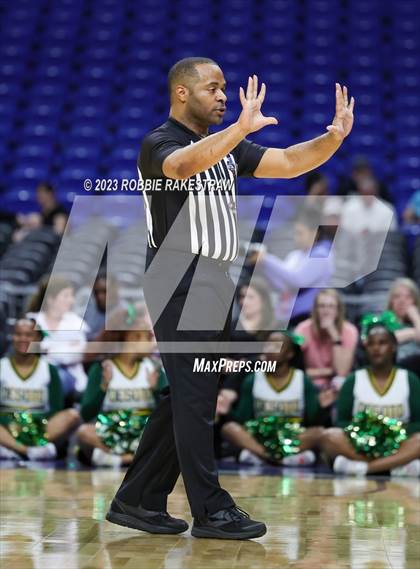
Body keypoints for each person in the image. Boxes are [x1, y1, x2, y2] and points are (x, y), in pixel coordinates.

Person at [106, 57, 355, 540]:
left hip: (216, 280)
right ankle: (211, 510)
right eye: (214, 88)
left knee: (186, 395)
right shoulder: (160, 142)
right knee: (198, 399)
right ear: (182, 93)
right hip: (178, 279)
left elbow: (286, 163)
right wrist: (239, 130)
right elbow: (180, 169)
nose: (224, 96)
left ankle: (137, 499)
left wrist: (332, 140)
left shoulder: (226, 149)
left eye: (226, 89)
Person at [221, 331, 335, 467]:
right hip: (261, 438)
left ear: (290, 354)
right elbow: (243, 420)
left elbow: (312, 421)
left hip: (293, 438)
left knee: (319, 433)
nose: (270, 350)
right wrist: (227, 410)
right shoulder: (252, 379)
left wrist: (322, 408)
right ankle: (272, 457)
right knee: (229, 428)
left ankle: (260, 457)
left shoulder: (302, 379)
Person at [321, 321, 420, 477]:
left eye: (382, 343)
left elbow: (417, 423)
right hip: (360, 445)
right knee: (329, 436)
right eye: (371, 344)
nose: (376, 348)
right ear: (366, 348)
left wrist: (391, 434)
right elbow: (341, 421)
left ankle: (363, 468)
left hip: (399, 443)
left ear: (393, 347)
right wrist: (364, 436)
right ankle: (394, 467)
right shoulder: (353, 380)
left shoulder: (410, 379)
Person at [77, 304, 167, 468]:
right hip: (111, 434)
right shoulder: (102, 368)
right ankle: (131, 460)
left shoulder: (154, 368)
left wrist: (156, 391)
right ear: (132, 338)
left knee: (170, 432)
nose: (153, 343)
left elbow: (168, 412)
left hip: (143, 434)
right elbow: (86, 413)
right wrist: (103, 388)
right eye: (147, 337)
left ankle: (112, 460)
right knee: (84, 432)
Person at [0, 318, 80, 461]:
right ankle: (28, 451)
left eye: (28, 335)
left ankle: (12, 449)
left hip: (39, 427)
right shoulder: (2, 366)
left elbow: (56, 408)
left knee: (72, 415)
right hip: (6, 428)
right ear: (12, 337)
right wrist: (12, 423)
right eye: (18, 334)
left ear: (38, 338)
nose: (23, 339)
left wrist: (31, 424)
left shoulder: (49, 370)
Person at [248, 207, 335, 326]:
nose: (295, 237)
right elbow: (281, 285)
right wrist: (261, 266)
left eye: (300, 233)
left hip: (307, 318)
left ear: (315, 233)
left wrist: (266, 259)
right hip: (285, 315)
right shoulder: (294, 255)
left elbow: (298, 280)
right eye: (295, 233)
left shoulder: (322, 255)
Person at [26, 276, 89, 398]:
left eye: (72, 296)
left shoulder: (76, 322)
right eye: (66, 296)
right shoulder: (32, 320)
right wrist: (66, 347)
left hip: (73, 378)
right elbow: (28, 350)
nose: (71, 300)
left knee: (57, 377)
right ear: (50, 299)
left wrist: (47, 350)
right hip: (36, 374)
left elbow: (78, 354)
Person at [295, 289, 358, 390]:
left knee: (339, 381)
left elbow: (341, 372)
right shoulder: (303, 329)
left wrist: (335, 336)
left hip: (336, 387)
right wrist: (328, 371)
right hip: (308, 384)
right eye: (322, 306)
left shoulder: (349, 331)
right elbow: (295, 370)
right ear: (315, 310)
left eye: (331, 306)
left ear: (338, 311)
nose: (326, 311)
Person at [386, 278, 420, 371]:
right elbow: (385, 341)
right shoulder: (382, 321)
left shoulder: (418, 322)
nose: (402, 301)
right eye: (397, 296)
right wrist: (413, 333)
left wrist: (415, 316)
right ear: (391, 301)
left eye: (408, 297)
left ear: (415, 301)